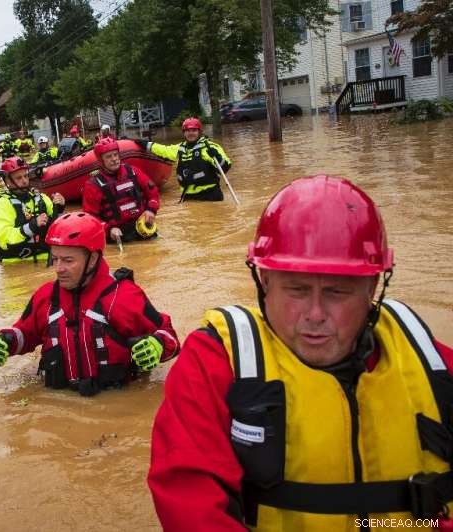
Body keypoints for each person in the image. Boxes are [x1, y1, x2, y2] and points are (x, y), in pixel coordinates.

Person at [147, 175, 453, 530]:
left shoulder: (427, 358)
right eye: (296, 290)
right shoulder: (216, 362)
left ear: (372, 287)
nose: (315, 314)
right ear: (264, 283)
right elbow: (190, 503)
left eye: (338, 292)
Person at [0, 212, 179, 396]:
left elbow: (169, 336)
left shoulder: (125, 295)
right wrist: (9, 340)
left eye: (68, 260)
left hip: (114, 404)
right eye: (55, 259)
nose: (58, 269)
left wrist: (158, 344)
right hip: (58, 405)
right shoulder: (45, 296)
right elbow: (26, 333)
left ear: (93, 259)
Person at [82, 138, 161, 243]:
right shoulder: (93, 185)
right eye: (109, 156)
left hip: (143, 226)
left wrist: (151, 210)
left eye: (115, 154)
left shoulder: (132, 171)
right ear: (101, 160)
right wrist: (108, 229)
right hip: (116, 234)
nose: (114, 159)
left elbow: (153, 192)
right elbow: (90, 217)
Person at [0, 156, 65, 263]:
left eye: (25, 176)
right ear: (7, 181)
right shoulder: (2, 205)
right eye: (19, 178)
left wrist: (60, 209)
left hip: (46, 260)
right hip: (16, 264)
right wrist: (32, 226)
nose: (24, 181)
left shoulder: (41, 198)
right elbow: (5, 239)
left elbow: (59, 227)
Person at [135, 117, 231, 202]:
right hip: (189, 197)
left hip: (210, 196)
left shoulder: (210, 147)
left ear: (199, 132)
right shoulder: (180, 148)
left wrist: (217, 156)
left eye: (194, 130)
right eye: (188, 131)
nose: (191, 133)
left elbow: (225, 167)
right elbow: (164, 150)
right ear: (184, 133)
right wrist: (146, 144)